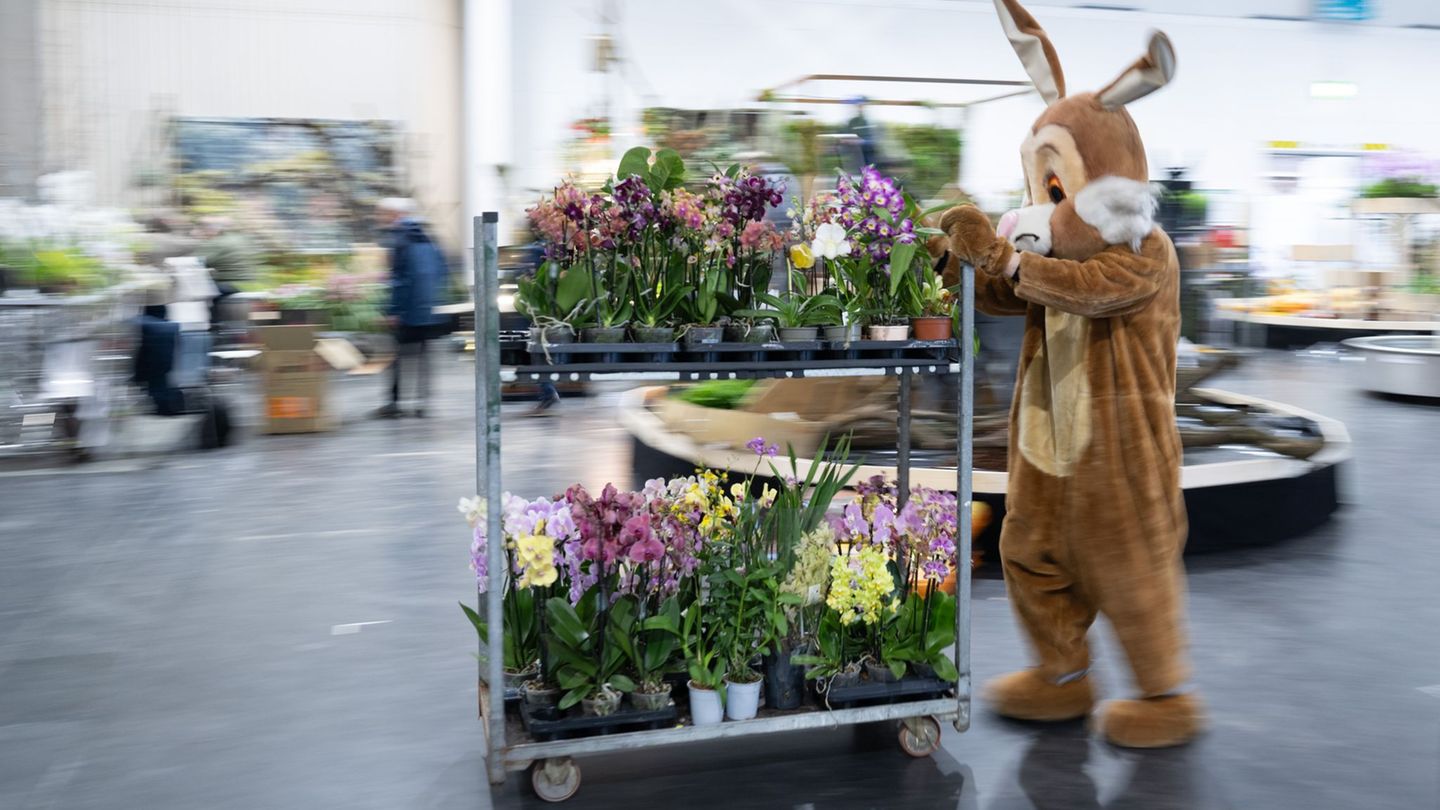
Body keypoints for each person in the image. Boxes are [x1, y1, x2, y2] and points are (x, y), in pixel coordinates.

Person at [376, 197, 447, 418]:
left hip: (407, 310)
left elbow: (399, 279)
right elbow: (442, 271)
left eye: (383, 214)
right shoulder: (428, 238)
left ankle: (394, 403)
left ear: (395, 215)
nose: (381, 218)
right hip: (426, 309)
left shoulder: (400, 238)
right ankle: (422, 402)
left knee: (396, 357)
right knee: (423, 356)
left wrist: (393, 310)